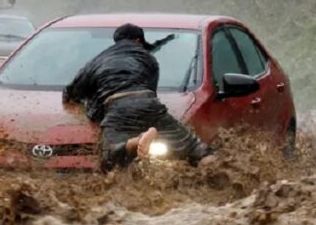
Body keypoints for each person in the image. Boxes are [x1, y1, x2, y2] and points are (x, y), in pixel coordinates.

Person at [63, 23, 212, 171]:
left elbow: (71, 93)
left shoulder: (97, 61)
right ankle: (216, 171)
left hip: (117, 107)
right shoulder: (149, 59)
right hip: (148, 103)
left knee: (108, 159)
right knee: (195, 147)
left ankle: (135, 142)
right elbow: (151, 92)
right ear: (139, 41)